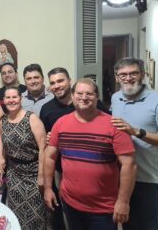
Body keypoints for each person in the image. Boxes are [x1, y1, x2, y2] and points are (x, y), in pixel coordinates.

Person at [44, 78, 136, 230]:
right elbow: (49, 156)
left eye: (89, 93)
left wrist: (123, 201)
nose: (84, 97)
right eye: (79, 93)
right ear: (73, 96)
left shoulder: (114, 125)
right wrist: (48, 188)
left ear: (97, 97)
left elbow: (129, 165)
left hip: (103, 209)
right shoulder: (60, 123)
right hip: (70, 203)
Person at [111, 57, 158, 230]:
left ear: (142, 75)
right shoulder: (115, 98)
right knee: (125, 221)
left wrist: (136, 132)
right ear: (116, 77)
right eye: (123, 74)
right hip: (120, 176)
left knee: (146, 225)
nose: (128, 78)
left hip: (146, 178)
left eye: (133, 73)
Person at [40, 67, 111, 229]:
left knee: (95, 217)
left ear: (69, 81)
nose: (57, 85)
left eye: (60, 81)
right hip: (62, 170)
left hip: (93, 173)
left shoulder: (90, 102)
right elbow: (45, 141)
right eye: (52, 83)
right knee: (66, 214)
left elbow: (108, 126)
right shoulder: (47, 109)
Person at [0, 87, 52, 229]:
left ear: (20, 98)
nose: (11, 100)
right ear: (4, 100)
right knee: (16, 214)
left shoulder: (32, 118)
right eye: (8, 98)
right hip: (14, 174)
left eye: (14, 97)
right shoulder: (3, 120)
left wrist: (41, 175)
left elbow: (42, 148)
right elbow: (1, 140)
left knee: (36, 214)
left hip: (33, 174)